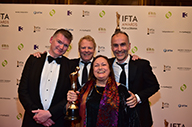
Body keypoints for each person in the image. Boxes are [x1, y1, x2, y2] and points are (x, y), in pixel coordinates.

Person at [18, 29, 73, 127]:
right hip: (32, 121)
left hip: (57, 121)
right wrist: (37, 114)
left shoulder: (70, 66)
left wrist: (50, 113)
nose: (61, 47)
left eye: (65, 45)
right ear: (51, 39)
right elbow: (23, 90)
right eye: (59, 42)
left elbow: (69, 97)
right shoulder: (33, 60)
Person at [67, 55, 140, 127]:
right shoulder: (84, 89)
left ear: (109, 68)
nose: (100, 68)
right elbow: (71, 112)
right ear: (92, 70)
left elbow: (132, 119)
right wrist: (70, 101)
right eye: (96, 65)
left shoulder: (121, 90)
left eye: (103, 65)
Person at [109, 30, 160, 127]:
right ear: (111, 47)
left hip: (139, 118)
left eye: (123, 44)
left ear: (129, 46)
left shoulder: (141, 65)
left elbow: (154, 86)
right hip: (114, 119)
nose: (119, 49)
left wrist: (137, 98)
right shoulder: (106, 65)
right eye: (115, 45)